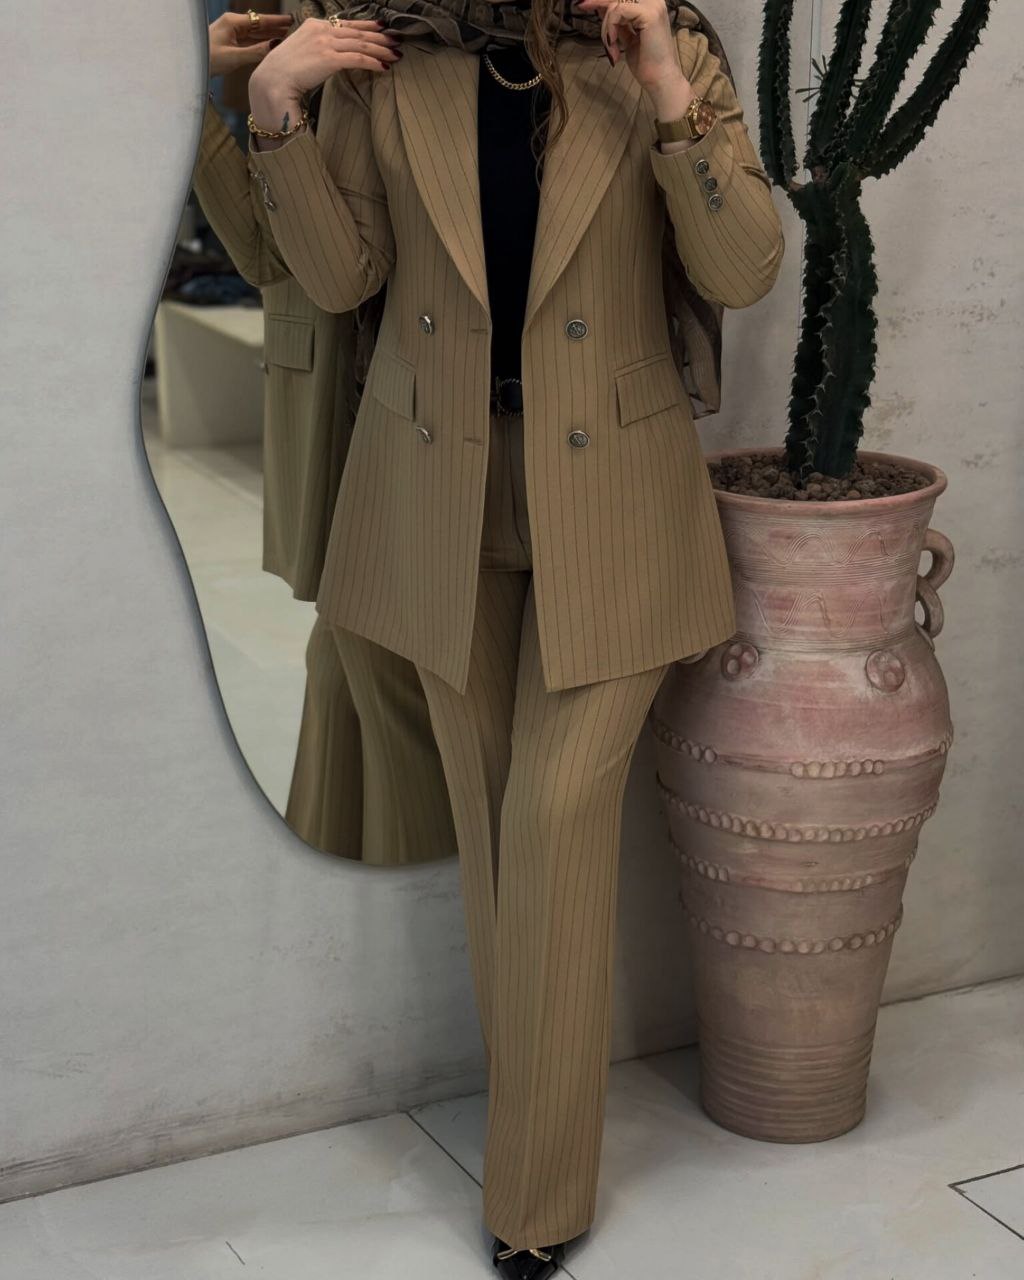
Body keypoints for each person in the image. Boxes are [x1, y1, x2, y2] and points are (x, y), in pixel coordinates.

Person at [242, 0, 785, 1274]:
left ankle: (533, 1199)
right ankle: (534, 1159)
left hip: (618, 500)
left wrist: (666, 90)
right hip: (436, 493)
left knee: (547, 814)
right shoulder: (387, 59)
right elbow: (339, 279)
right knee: (494, 833)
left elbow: (742, 267)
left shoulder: (657, 42)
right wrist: (275, 110)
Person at [192, 7, 456, 865]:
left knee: (373, 671)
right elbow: (266, 253)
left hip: (441, 394)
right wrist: (208, 96)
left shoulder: (444, 28)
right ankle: (356, 919)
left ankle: (394, 920)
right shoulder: (304, 20)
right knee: (353, 665)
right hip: (350, 388)